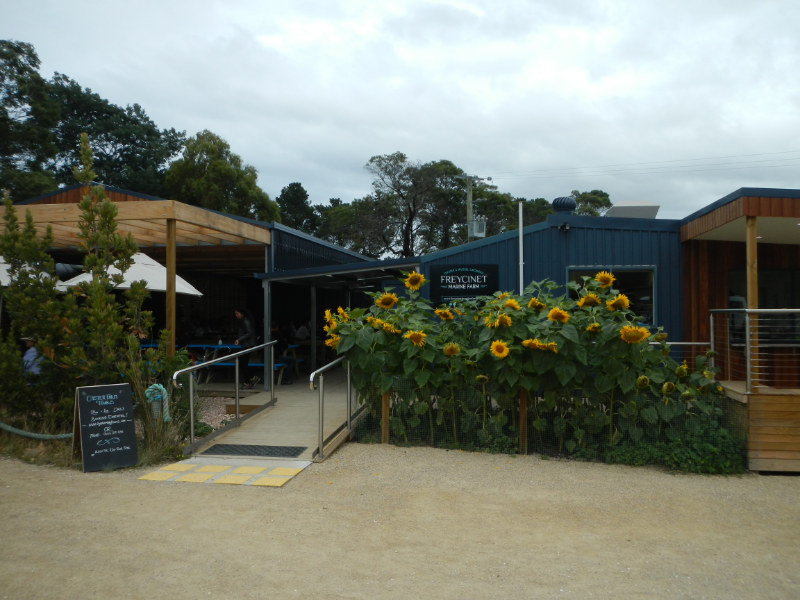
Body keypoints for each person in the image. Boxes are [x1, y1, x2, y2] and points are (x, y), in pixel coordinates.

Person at [233, 307, 259, 388]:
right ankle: (250, 379)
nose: (236, 315)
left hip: (248, 345)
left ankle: (248, 380)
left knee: (243, 363)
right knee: (243, 363)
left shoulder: (246, 321)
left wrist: (239, 340)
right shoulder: (244, 321)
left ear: (242, 313)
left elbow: (249, 333)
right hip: (246, 345)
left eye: (237, 313)